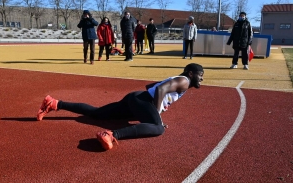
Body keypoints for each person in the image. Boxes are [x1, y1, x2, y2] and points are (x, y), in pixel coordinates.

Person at [36, 63, 204, 151]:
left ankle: (54, 103)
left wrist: (154, 112)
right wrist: (157, 114)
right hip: (142, 101)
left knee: (97, 113)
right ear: (190, 73)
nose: (201, 79)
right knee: (159, 129)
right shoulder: (184, 81)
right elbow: (160, 89)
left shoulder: (181, 80)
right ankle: (110, 135)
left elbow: (151, 86)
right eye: (200, 75)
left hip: (136, 99)